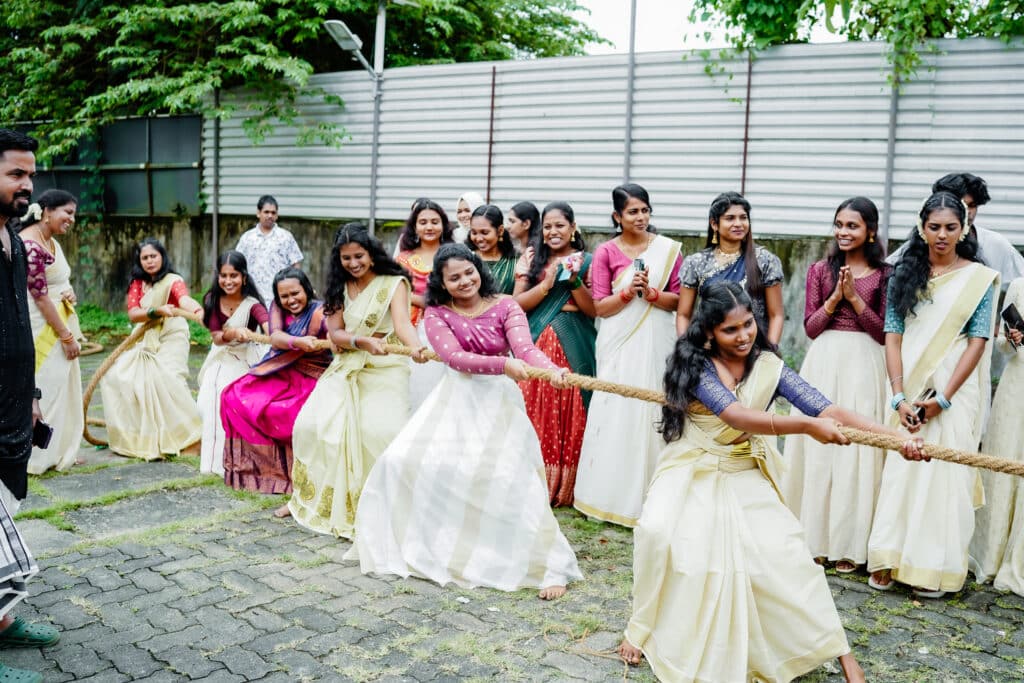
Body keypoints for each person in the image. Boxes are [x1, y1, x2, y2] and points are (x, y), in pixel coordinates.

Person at [617, 281, 926, 683]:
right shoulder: (696, 364)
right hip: (692, 468)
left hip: (743, 469)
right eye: (730, 330)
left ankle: (843, 655)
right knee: (659, 534)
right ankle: (641, 628)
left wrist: (898, 438)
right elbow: (736, 416)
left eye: (748, 324)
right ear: (709, 332)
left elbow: (826, 407)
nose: (743, 335)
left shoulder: (767, 365)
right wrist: (805, 427)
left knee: (790, 557)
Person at [348, 244, 582, 599]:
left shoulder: (506, 305)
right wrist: (503, 365)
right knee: (401, 463)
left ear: (479, 270)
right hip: (454, 400)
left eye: (469, 272)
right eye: (453, 278)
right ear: (442, 283)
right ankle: (438, 544)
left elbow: (526, 351)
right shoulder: (437, 314)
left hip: (498, 403)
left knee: (508, 477)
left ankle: (546, 565)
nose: (464, 281)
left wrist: (552, 371)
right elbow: (455, 358)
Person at [868, 191, 999, 598]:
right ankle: (890, 556)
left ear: (964, 229)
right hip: (907, 381)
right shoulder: (903, 274)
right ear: (922, 228)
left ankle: (933, 567)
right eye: (934, 227)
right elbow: (893, 336)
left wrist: (942, 399)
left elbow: (977, 342)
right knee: (902, 469)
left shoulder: (978, 279)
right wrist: (898, 396)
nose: (942, 235)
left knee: (943, 473)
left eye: (951, 227)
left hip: (954, 389)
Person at [287, 224, 425, 536]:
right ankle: (312, 500)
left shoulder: (393, 283)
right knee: (310, 425)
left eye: (358, 256)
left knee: (380, 432)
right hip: (349, 363)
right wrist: (361, 342)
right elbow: (335, 333)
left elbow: (403, 324)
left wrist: (416, 347)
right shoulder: (337, 285)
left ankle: (383, 508)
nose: (353, 263)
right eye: (346, 258)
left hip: (386, 365)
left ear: (372, 254)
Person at [781, 197, 890, 573]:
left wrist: (856, 299)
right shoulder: (819, 270)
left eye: (853, 226)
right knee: (818, 449)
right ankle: (813, 538)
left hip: (864, 365)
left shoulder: (885, 274)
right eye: (839, 225)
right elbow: (810, 328)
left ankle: (849, 543)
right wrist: (834, 298)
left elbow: (881, 333)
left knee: (855, 451)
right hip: (824, 362)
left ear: (870, 231)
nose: (844, 232)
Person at [574, 184, 681, 527]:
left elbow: (679, 300)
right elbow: (599, 307)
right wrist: (627, 293)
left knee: (653, 405)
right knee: (617, 406)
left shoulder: (667, 250)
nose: (640, 217)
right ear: (617, 217)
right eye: (632, 212)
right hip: (619, 342)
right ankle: (608, 494)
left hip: (656, 338)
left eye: (644, 210)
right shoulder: (606, 252)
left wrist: (649, 293)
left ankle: (654, 497)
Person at [0, 128, 62, 683]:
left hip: (16, 410)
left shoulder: (16, 243)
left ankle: (1, 623)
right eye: (16, 174)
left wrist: (35, 395)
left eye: (31, 175)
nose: (28, 185)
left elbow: (20, 324)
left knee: (8, 514)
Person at [220, 267, 331, 509]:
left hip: (313, 375)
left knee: (288, 412)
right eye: (285, 296)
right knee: (233, 395)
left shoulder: (321, 311)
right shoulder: (277, 309)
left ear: (308, 290)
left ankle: (297, 476)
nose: (291, 300)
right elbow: (276, 336)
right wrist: (297, 342)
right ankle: (258, 473)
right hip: (281, 369)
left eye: (296, 293)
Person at [513, 201, 597, 506]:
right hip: (537, 344)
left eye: (560, 225)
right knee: (536, 409)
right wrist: (547, 285)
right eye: (547, 227)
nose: (553, 231)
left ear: (573, 228)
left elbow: (593, 310)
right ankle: (532, 481)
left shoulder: (588, 261)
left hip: (576, 341)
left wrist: (573, 281)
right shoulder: (533, 258)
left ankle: (568, 487)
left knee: (574, 409)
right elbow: (517, 304)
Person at [100, 238, 203, 460]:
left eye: (153, 256)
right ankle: (147, 438)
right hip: (144, 336)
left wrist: (198, 311)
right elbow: (133, 313)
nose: (149, 261)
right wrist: (156, 310)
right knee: (119, 377)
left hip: (172, 334)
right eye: (144, 258)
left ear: (162, 257)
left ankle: (193, 438)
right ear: (140, 261)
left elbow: (184, 299)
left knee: (170, 379)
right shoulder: (138, 283)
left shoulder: (173, 280)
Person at [18, 190, 84, 473]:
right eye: (67, 213)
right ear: (46, 210)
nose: (71, 219)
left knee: (63, 385)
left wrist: (68, 292)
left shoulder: (51, 241)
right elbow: (41, 296)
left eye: (73, 215)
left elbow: (56, 284)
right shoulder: (31, 244)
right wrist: (66, 337)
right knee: (46, 386)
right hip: (41, 327)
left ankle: (59, 449)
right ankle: (35, 456)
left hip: (59, 318)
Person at [971, 276, 1024, 591]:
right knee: (1006, 458)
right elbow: (1003, 344)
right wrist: (1013, 337)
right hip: (1016, 385)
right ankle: (992, 555)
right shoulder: (1019, 285)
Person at [676, 191, 784, 344]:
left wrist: (769, 354)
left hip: (753, 350)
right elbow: (683, 315)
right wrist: (687, 349)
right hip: (709, 352)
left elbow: (776, 315)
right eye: (730, 218)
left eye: (743, 217)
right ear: (714, 224)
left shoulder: (765, 261)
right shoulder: (696, 263)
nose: (738, 224)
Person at [196, 251, 268, 475]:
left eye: (234, 275)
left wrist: (275, 335)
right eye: (224, 275)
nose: (228, 281)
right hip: (221, 357)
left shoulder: (252, 305)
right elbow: (217, 337)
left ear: (244, 277)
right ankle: (216, 464)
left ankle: (244, 461)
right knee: (211, 402)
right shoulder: (212, 300)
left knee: (244, 405)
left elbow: (268, 326)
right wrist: (234, 332)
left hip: (247, 358)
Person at [887, 173, 1024, 290]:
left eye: (972, 205)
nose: (968, 212)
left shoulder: (995, 244)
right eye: (962, 205)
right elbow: (885, 273)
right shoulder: (923, 243)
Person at [395, 199, 454, 408]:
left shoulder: (453, 256)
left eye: (435, 222)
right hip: (407, 328)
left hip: (446, 327)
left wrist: (412, 297)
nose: (429, 227)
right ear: (414, 227)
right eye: (423, 222)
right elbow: (394, 294)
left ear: (444, 225)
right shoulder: (403, 259)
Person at [235, 195, 304, 305]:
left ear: (277, 215)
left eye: (273, 213)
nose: (270, 216)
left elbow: (296, 265)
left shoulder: (285, 237)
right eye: (266, 212)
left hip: (280, 296)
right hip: (252, 297)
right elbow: (237, 265)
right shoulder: (247, 238)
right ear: (258, 213)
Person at [468, 204, 517, 294]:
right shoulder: (465, 258)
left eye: (485, 232)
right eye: (474, 233)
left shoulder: (515, 261)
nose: (478, 238)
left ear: (500, 230)